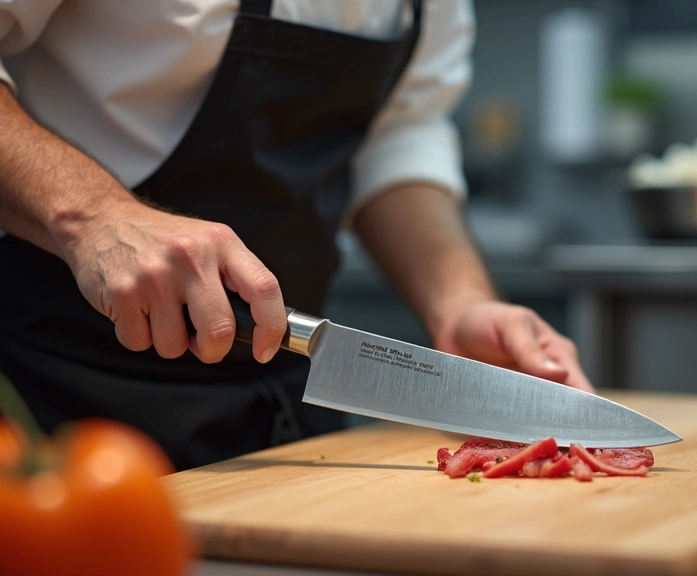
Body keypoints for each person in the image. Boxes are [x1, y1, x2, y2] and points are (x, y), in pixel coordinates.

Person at [0, 0, 593, 470]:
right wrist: (94, 216)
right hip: (54, 408)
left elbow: (397, 133)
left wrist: (459, 303)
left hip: (286, 416)